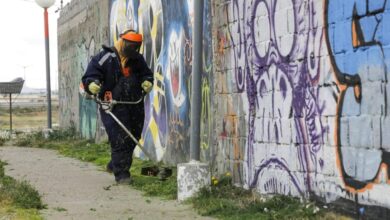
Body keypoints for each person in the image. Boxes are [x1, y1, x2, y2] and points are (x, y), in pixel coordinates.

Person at [81, 30, 153, 184]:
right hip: (112, 105)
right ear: (122, 42)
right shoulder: (104, 58)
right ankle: (122, 175)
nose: (133, 50)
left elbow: (146, 74)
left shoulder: (137, 59)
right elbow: (90, 76)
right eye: (131, 46)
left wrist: (147, 82)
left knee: (134, 135)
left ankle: (115, 164)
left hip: (134, 104)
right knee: (120, 137)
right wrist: (92, 84)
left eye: (136, 47)